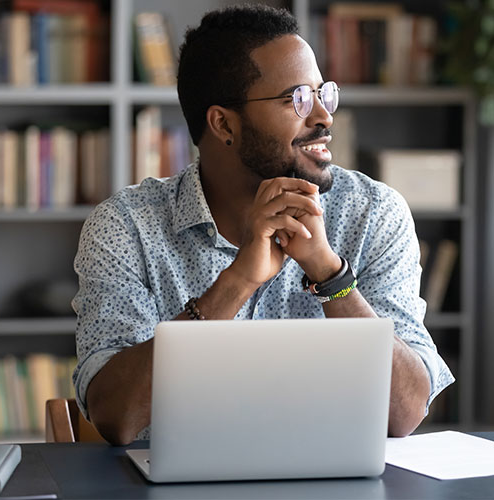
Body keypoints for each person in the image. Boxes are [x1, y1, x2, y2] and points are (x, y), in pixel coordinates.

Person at [72, 4, 454, 445]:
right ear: (223, 124)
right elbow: (116, 417)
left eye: (322, 94)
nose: (324, 118)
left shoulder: (373, 213)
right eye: (298, 99)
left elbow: (405, 413)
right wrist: (236, 282)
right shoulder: (127, 226)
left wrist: (331, 276)